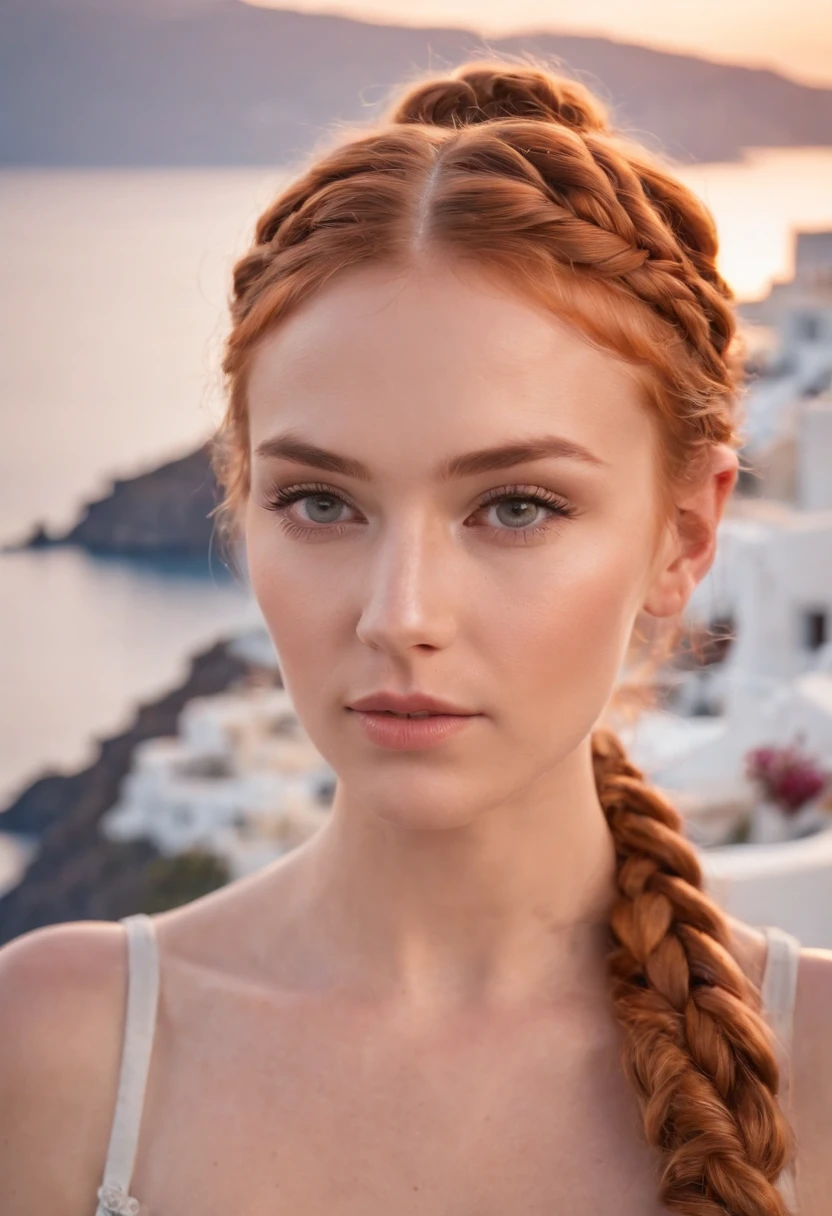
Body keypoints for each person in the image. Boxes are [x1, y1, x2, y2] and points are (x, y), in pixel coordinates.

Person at [0, 57, 830, 1216]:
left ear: (685, 535)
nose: (400, 615)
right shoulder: (60, 1050)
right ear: (245, 509)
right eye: (322, 503)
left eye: (516, 507)